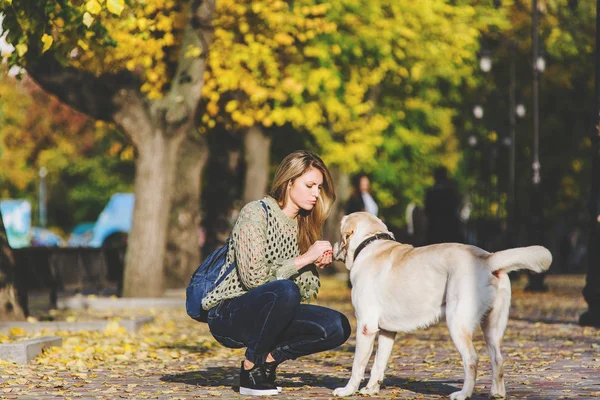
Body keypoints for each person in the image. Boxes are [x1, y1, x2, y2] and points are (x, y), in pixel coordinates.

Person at [198, 150, 351, 396]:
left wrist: (312, 264)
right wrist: (304, 259)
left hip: (273, 312)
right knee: (285, 290)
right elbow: (253, 279)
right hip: (229, 313)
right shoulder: (256, 213)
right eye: (309, 185)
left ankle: (268, 361)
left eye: (319, 187)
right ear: (289, 183)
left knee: (337, 326)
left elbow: (300, 291)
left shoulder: (305, 224)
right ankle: (251, 368)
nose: (316, 193)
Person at [424, 166, 463, 244]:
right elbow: (457, 205)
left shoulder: (431, 192)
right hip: (450, 227)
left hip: (435, 227)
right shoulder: (451, 191)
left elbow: (427, 210)